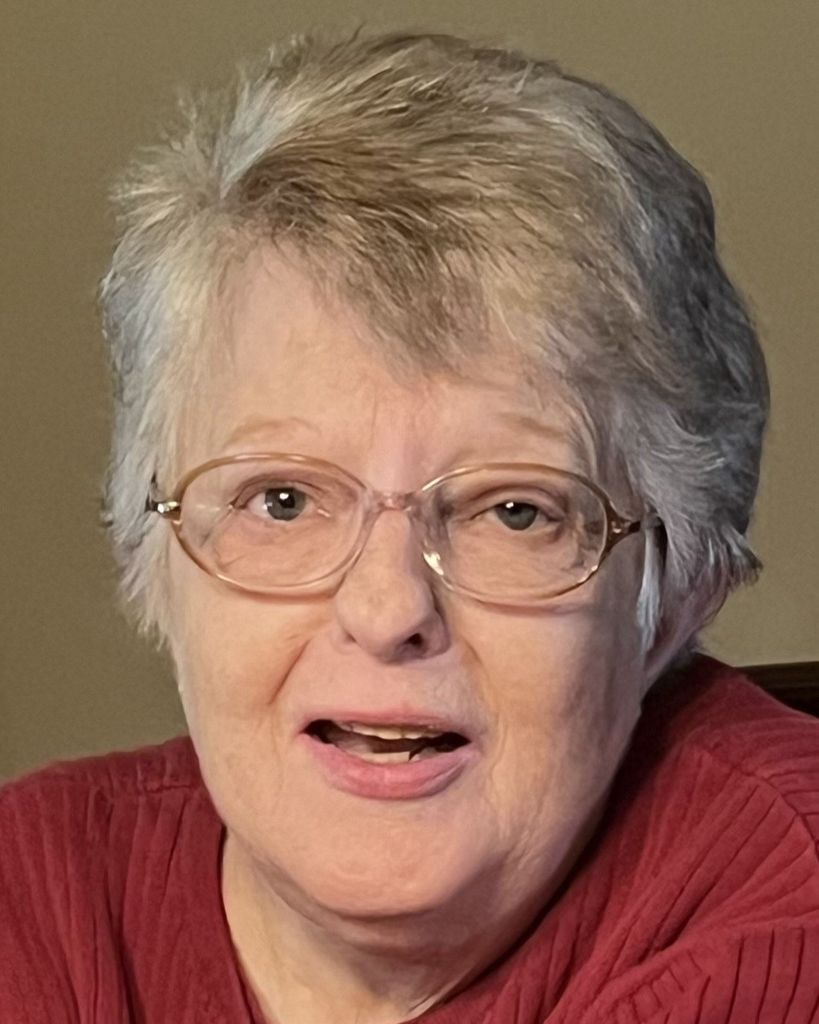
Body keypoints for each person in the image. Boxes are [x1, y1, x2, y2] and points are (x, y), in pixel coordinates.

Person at [1, 29, 817, 1024]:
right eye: (283, 500)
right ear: (153, 557)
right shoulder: (32, 893)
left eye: (514, 510)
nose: (388, 609)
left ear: (675, 597)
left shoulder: (781, 911)